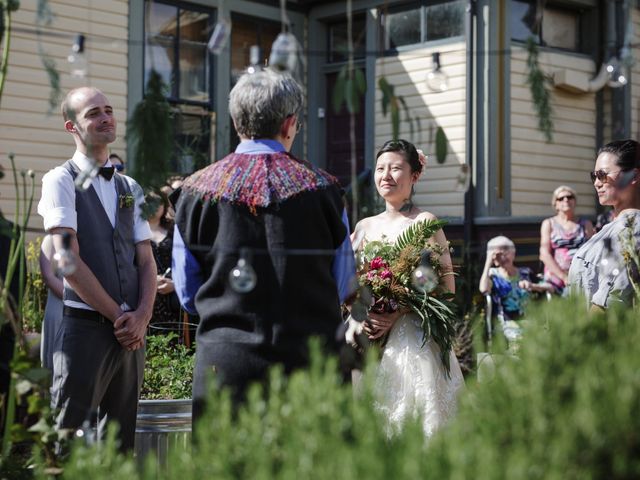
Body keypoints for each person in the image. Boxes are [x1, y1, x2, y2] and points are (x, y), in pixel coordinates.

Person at [172, 68, 355, 422]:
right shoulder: (326, 191)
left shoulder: (194, 193)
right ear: (289, 124)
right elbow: (344, 283)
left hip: (226, 365)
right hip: (313, 364)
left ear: (237, 121)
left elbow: (187, 295)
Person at [37, 87, 156, 452]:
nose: (105, 117)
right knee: (68, 445)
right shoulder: (59, 180)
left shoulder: (129, 186)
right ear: (72, 126)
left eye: (108, 110)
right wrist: (121, 316)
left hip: (131, 335)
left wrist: (142, 317)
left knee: (119, 446)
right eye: (93, 113)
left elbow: (147, 261)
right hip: (86, 330)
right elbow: (67, 262)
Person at [348, 139, 464, 437]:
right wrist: (362, 314)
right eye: (380, 168)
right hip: (368, 341)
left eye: (396, 168)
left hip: (413, 339)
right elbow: (351, 284)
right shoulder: (363, 226)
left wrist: (397, 312)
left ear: (415, 175)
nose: (386, 175)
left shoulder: (425, 223)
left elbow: (444, 288)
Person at [569, 139, 640, 310]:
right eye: (594, 176)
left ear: (634, 176)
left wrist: (574, 336)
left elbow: (607, 304)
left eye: (602, 175)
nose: (596, 183)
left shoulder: (633, 230)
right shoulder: (612, 226)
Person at [479, 236, 553, 320]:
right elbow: (483, 289)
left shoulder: (525, 272)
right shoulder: (493, 274)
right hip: (506, 326)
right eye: (499, 254)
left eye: (506, 250)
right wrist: (488, 261)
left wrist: (532, 286)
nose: (503, 256)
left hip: (531, 324)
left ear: (513, 253)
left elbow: (550, 288)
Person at [539, 185, 594, 294]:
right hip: (557, 276)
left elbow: (593, 252)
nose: (566, 200)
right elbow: (544, 254)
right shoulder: (549, 224)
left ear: (574, 201)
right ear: (556, 204)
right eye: (561, 198)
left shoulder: (586, 224)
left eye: (570, 197)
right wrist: (563, 277)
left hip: (582, 274)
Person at [146, 191, 181, 327]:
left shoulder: (175, 229)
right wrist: (151, 280)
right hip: (145, 295)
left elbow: (184, 262)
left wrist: (175, 284)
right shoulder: (133, 230)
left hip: (171, 296)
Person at [39, 234, 64, 372]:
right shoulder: (52, 238)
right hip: (58, 310)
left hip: (83, 314)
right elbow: (48, 277)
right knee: (54, 369)